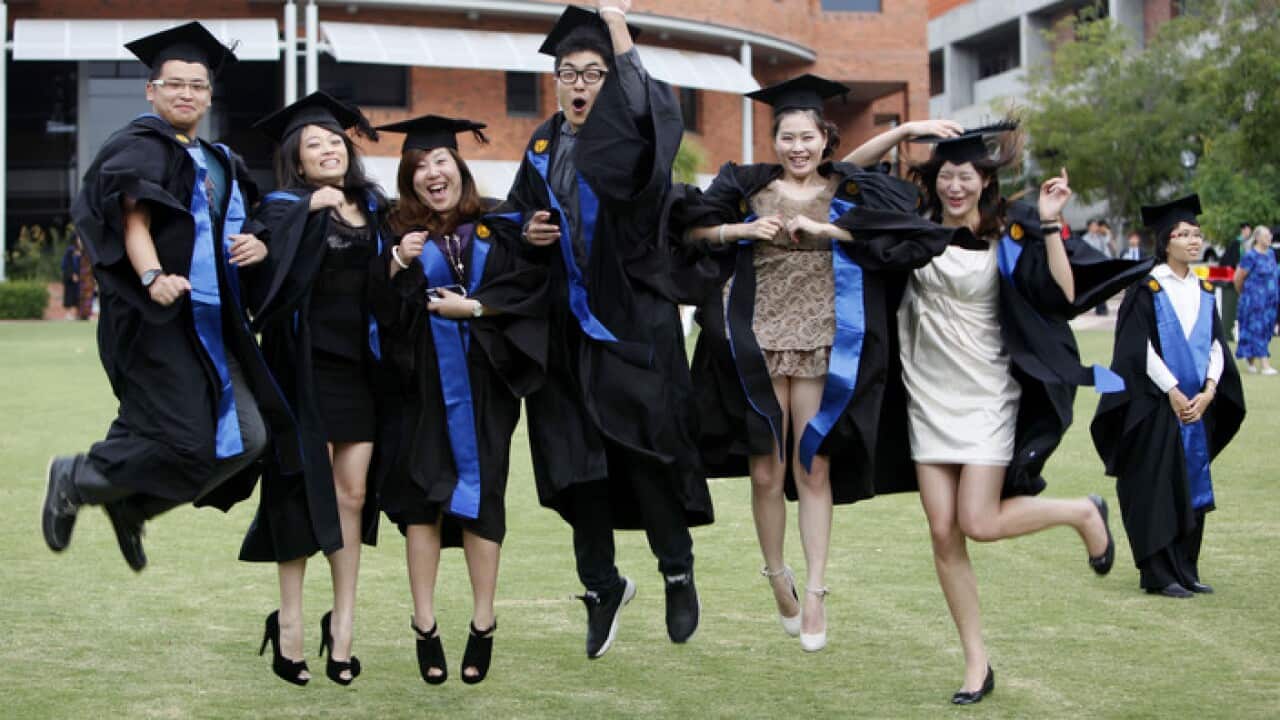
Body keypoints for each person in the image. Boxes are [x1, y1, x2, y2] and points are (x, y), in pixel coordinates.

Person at [847, 121, 1151, 704]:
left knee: (978, 522)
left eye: (966, 175)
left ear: (985, 180)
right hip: (926, 397)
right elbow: (849, 177)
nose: (955, 185)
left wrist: (1052, 223)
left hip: (987, 394)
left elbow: (1062, 295)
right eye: (945, 175)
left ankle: (1081, 512)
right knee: (942, 532)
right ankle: (976, 663)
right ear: (932, 181)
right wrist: (906, 129)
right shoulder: (913, 220)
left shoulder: (1007, 233)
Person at [669, 77, 964, 652]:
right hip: (754, 340)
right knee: (765, 472)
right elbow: (691, 229)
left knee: (813, 468)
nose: (797, 147)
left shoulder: (842, 187)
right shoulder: (749, 185)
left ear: (824, 140)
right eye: (787, 137)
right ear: (774, 140)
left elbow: (886, 214)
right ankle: (778, 574)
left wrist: (904, 132)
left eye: (807, 137)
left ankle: (817, 592)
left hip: (823, 340)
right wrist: (743, 229)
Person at [499, 2, 710, 659]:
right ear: (555, 82)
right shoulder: (539, 146)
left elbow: (652, 111)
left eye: (594, 73)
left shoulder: (631, 132)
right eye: (569, 73)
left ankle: (676, 568)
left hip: (633, 326)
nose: (581, 84)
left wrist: (618, 26)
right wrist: (527, 232)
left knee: (646, 452)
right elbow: (515, 221)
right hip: (565, 330)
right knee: (575, 464)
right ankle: (601, 586)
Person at [43, 22, 289, 573]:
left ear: (208, 95)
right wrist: (154, 276)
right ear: (151, 90)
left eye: (197, 86)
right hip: (158, 319)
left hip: (216, 324)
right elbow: (134, 219)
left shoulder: (219, 159)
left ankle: (133, 506)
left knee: (248, 441)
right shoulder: (140, 145)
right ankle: (77, 476)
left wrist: (255, 243)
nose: (186, 93)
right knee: (185, 440)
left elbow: (239, 223)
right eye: (174, 83)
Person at [374, 114, 547, 684]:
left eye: (440, 161)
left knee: (484, 497)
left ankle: (482, 621)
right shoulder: (392, 229)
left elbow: (528, 290)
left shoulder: (499, 223)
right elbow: (374, 313)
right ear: (409, 178)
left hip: (485, 383)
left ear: (459, 166)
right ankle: (424, 625)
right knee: (422, 500)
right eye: (419, 166)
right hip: (417, 384)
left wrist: (472, 308)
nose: (431, 173)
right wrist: (399, 263)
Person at [237, 92, 390, 686]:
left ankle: (344, 626)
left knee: (353, 497)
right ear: (297, 164)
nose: (327, 150)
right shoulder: (282, 207)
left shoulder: (374, 209)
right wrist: (301, 216)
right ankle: (293, 623)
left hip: (360, 372)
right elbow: (257, 261)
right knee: (302, 493)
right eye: (313, 146)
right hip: (302, 372)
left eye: (334, 141)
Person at [1092, 194, 1245, 598]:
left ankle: (1186, 567)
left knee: (1192, 482)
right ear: (1165, 242)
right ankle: (1159, 572)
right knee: (1157, 484)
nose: (1194, 241)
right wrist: (1173, 390)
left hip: (1198, 403)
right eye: (1183, 234)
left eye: (1197, 234)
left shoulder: (1205, 289)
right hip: (1158, 403)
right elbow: (1136, 348)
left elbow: (1216, 345)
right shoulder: (1147, 288)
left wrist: (1211, 391)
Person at [1233, 225, 1277, 373]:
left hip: (1269, 302)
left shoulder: (1271, 254)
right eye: (1266, 236)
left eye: (1270, 236)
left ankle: (1250, 359)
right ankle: (1265, 365)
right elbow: (1238, 278)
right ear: (1257, 238)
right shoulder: (1250, 256)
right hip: (1253, 301)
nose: (1269, 238)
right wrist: (1244, 294)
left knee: (1265, 330)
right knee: (1257, 330)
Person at [1082, 219, 1114, 314]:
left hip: (1101, 265)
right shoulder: (1085, 238)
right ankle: (1100, 308)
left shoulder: (1100, 237)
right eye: (1093, 225)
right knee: (1096, 288)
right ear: (1089, 227)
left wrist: (1107, 231)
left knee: (1102, 287)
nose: (1096, 227)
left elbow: (1107, 242)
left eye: (1096, 226)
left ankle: (1102, 307)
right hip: (1091, 266)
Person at [60, 236, 82, 319]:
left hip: (79, 277)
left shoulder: (81, 250)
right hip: (70, 277)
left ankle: (77, 314)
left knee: (78, 295)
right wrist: (72, 274)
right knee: (69, 295)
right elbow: (66, 264)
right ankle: (68, 314)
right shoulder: (70, 250)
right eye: (79, 239)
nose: (80, 240)